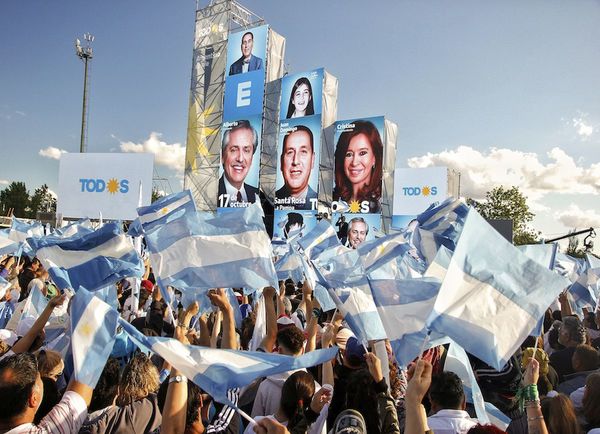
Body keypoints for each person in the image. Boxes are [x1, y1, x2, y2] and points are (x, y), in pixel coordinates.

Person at [333, 120, 383, 213]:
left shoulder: (382, 202)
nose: (354, 162)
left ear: (375, 158)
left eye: (362, 153)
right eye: (348, 154)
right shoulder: (332, 200)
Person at [217, 120, 260, 205]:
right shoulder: (209, 195)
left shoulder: (258, 197)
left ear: (251, 158)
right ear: (222, 156)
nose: (240, 159)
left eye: (246, 150)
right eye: (234, 150)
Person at [275, 126, 318, 210]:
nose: (295, 161)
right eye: (290, 152)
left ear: (312, 160)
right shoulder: (270, 202)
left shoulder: (321, 204)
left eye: (303, 152)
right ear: (281, 161)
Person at [550, 316, 587, 381]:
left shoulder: (557, 357)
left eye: (559, 330)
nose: (558, 333)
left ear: (567, 336)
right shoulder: (591, 353)